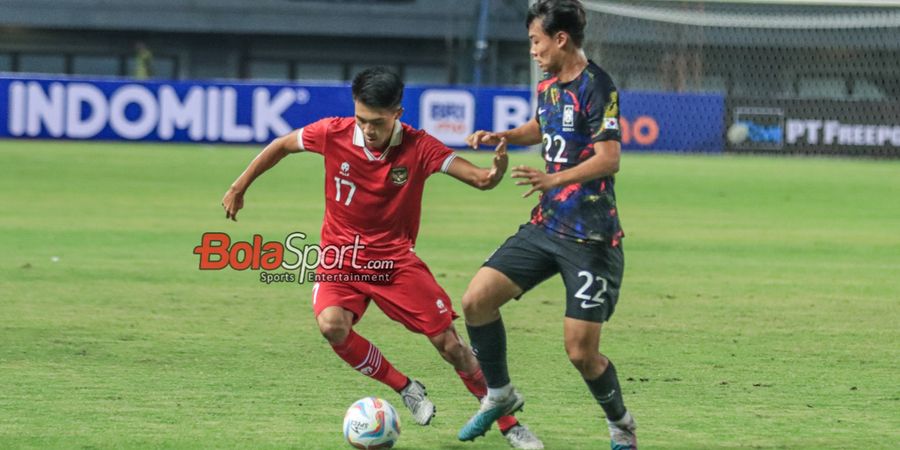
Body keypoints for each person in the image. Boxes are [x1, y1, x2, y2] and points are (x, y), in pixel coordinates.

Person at [221, 67, 544, 449]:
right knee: (332, 326)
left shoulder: (420, 147)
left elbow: (480, 179)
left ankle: (509, 424)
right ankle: (406, 388)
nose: (368, 130)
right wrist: (240, 185)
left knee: (452, 347)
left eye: (377, 122)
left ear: (398, 114)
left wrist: (496, 170)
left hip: (394, 263)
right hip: (340, 259)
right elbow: (281, 145)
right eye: (362, 120)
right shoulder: (332, 132)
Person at [457, 1, 638, 448]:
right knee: (477, 300)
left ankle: (621, 425)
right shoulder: (549, 87)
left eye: (537, 41)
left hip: (591, 238)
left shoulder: (598, 86)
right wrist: (503, 137)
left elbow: (609, 158)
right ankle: (499, 395)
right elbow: (542, 127)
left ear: (561, 39)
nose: (533, 50)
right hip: (546, 226)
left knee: (581, 352)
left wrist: (554, 177)